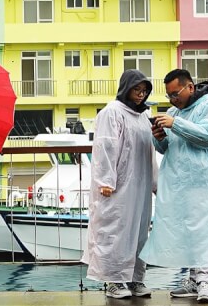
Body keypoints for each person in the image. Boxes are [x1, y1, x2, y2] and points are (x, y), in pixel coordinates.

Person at [140, 69, 208, 304]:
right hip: (178, 182)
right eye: (169, 96)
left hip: (202, 181)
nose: (172, 100)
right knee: (185, 231)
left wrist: (175, 124)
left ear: (190, 87)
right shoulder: (172, 112)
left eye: (175, 94)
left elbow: (207, 137)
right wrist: (158, 136)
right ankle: (191, 279)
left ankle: (205, 282)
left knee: (203, 230)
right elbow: (166, 147)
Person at [81, 69, 157, 299]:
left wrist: (155, 181)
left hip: (140, 185)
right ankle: (113, 281)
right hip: (117, 186)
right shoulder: (112, 112)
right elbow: (106, 146)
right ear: (126, 88)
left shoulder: (144, 115)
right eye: (137, 89)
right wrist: (106, 180)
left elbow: (150, 150)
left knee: (140, 232)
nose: (141, 95)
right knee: (115, 231)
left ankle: (135, 279)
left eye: (144, 91)